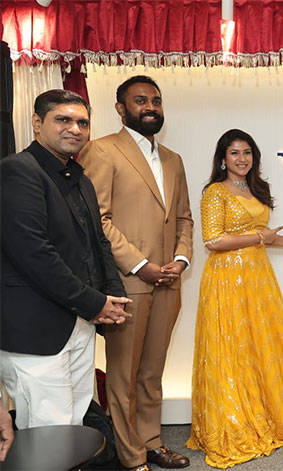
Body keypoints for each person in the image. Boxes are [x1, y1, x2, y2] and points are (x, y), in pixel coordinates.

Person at [186, 129, 283, 468]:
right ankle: (236, 420)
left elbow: (261, 237)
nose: (242, 159)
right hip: (227, 278)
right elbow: (213, 241)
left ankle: (267, 412)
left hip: (257, 277)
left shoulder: (256, 189)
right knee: (232, 345)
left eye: (247, 153)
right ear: (222, 159)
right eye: (235, 153)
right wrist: (260, 237)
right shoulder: (215, 192)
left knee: (261, 343)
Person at [78, 76, 194, 471]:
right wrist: (142, 265)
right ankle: (130, 456)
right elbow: (98, 219)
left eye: (156, 101)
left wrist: (181, 259)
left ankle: (151, 442)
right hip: (127, 282)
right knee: (124, 376)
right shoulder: (102, 150)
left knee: (152, 371)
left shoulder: (173, 159)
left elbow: (184, 218)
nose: (150, 107)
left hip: (169, 282)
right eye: (140, 100)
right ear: (120, 108)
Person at [0, 89, 131, 430]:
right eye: (63, 120)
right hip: (35, 330)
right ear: (37, 123)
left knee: (73, 424)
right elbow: (34, 254)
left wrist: (112, 296)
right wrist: (94, 303)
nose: (75, 129)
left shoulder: (80, 179)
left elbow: (98, 243)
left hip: (79, 322)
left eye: (82, 123)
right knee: (47, 430)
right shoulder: (17, 171)